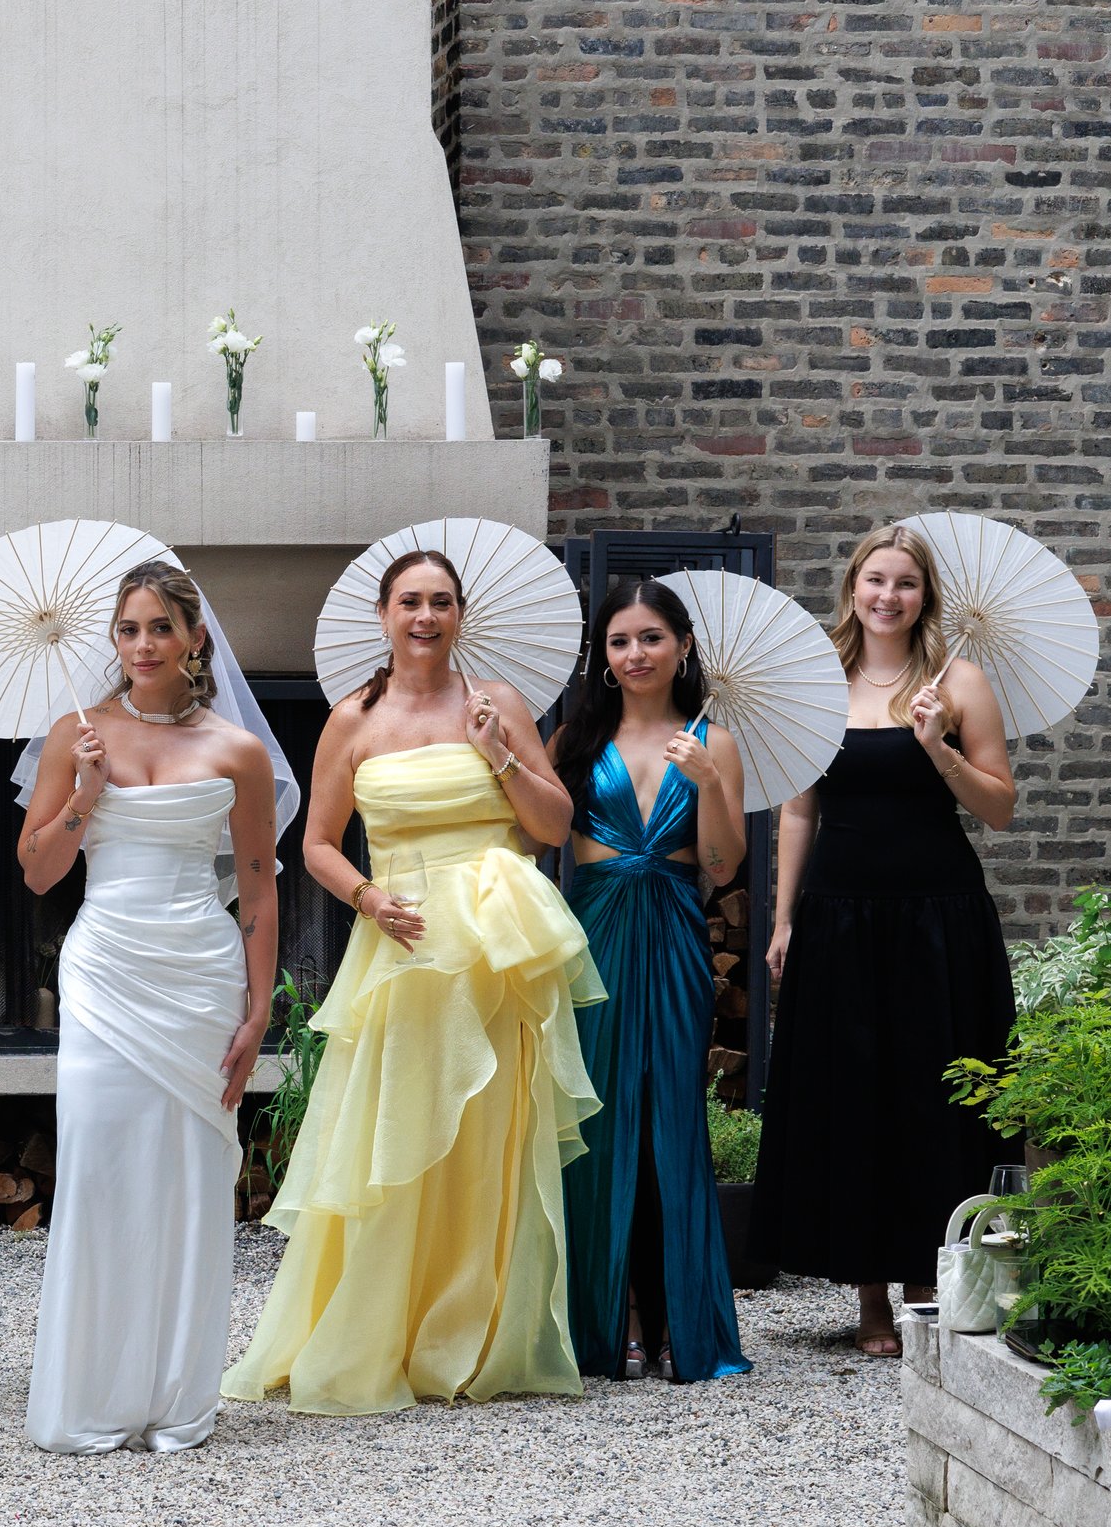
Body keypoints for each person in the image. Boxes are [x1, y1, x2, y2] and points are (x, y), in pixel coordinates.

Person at [222, 549, 603, 1412]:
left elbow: (549, 827)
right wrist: (367, 896)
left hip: (496, 955)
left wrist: (500, 754)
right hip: (402, 943)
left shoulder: (497, 702)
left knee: (488, 1136)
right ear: (385, 615)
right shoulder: (352, 719)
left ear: (460, 614)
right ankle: (378, 1329)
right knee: (395, 1133)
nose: (424, 616)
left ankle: (471, 1336)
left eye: (440, 602)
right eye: (409, 602)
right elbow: (315, 841)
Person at [16, 562, 280, 1454]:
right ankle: (91, 1392)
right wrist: (86, 793)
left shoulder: (237, 752)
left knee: (188, 1178)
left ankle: (176, 1396)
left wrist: (257, 1010)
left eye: (160, 628)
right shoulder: (75, 734)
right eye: (128, 629)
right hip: (105, 972)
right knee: (97, 1164)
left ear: (195, 638)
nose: (143, 645)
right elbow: (39, 870)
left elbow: (257, 887)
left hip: (200, 976)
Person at [750, 526, 1020, 1356]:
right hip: (840, 915)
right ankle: (870, 1295)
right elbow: (799, 809)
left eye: (905, 583)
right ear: (853, 587)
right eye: (875, 580)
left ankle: (928, 1284)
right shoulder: (817, 680)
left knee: (935, 1093)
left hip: (941, 916)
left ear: (923, 594)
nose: (888, 596)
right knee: (854, 1091)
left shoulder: (959, 681)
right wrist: (784, 916)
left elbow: (1000, 806)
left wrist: (936, 746)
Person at [548, 579, 753, 1384]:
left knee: (672, 1117)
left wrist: (705, 781)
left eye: (651, 638)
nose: (635, 655)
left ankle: (679, 1320)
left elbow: (720, 866)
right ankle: (610, 1318)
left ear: (683, 647)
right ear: (603, 657)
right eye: (620, 641)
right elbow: (538, 833)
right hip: (592, 928)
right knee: (596, 1118)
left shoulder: (715, 742)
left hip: (671, 928)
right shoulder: (573, 739)